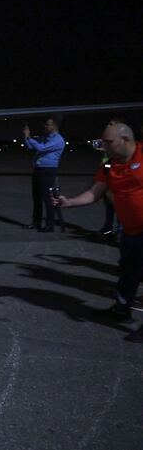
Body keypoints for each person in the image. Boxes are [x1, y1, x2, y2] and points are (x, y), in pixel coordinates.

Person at [54, 122, 143, 343]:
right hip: (130, 231)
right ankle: (121, 310)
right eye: (102, 142)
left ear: (125, 140)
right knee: (128, 272)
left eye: (108, 142)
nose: (103, 146)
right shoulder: (108, 166)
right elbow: (95, 192)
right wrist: (71, 202)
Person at [22, 117, 65, 232]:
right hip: (38, 169)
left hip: (48, 170)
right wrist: (26, 137)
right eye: (45, 124)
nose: (45, 126)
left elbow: (41, 148)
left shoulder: (58, 140)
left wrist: (28, 137)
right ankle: (36, 223)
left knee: (47, 198)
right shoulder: (45, 137)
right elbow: (30, 146)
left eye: (48, 125)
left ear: (55, 126)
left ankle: (49, 225)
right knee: (36, 197)